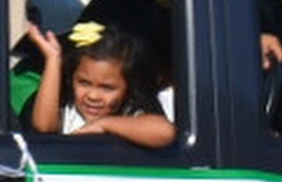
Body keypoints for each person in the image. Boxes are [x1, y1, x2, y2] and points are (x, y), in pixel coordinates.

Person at [24, 19, 175, 148]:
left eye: (107, 88)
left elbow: (165, 132)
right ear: (72, 79)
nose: (93, 96)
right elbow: (44, 126)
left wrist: (105, 124)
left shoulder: (130, 114)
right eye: (84, 83)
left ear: (128, 88)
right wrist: (53, 59)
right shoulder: (69, 112)